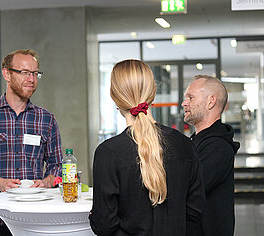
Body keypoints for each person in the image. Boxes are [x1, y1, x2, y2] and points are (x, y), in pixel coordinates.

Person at [89, 59, 205, 235]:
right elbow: (194, 211)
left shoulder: (108, 152)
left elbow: (105, 224)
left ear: (115, 97)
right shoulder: (185, 144)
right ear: (154, 92)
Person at [0, 49, 63, 235]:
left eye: (35, 73)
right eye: (24, 73)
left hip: (35, 221)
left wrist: (46, 182)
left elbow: (58, 166)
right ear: (7, 74)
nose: (31, 79)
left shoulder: (46, 119)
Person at [182, 75, 240, 236]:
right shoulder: (198, 141)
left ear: (210, 101)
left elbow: (185, 189)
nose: (184, 103)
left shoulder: (217, 148)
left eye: (190, 98)